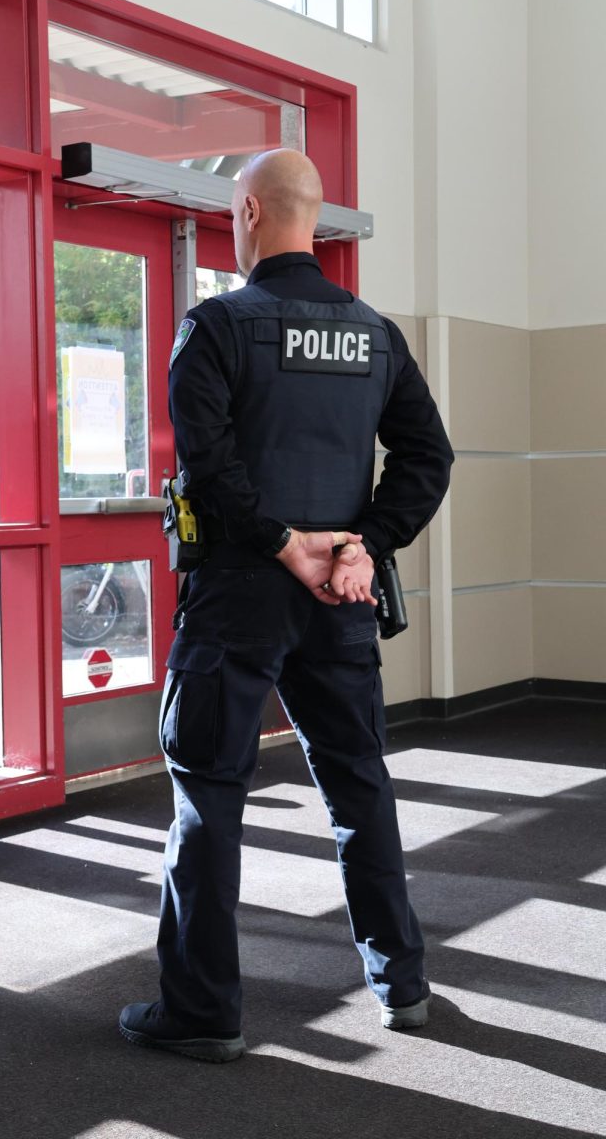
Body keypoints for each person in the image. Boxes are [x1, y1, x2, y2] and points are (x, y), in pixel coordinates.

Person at [119, 149, 454, 1063]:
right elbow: (429, 459)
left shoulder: (217, 326)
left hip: (239, 597)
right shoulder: (376, 335)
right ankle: (403, 984)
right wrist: (362, 545)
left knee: (209, 796)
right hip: (339, 597)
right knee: (359, 789)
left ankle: (203, 1011)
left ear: (251, 213)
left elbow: (210, 466)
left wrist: (280, 544)